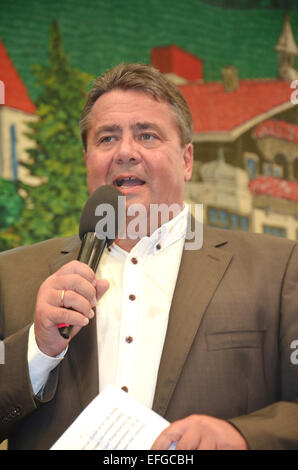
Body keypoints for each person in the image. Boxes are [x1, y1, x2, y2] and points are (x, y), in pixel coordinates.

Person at [0, 63, 297, 450]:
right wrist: (36, 350)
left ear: (187, 160)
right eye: (107, 139)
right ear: (86, 159)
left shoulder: (276, 269)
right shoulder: (13, 275)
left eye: (147, 135)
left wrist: (242, 436)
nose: (126, 152)